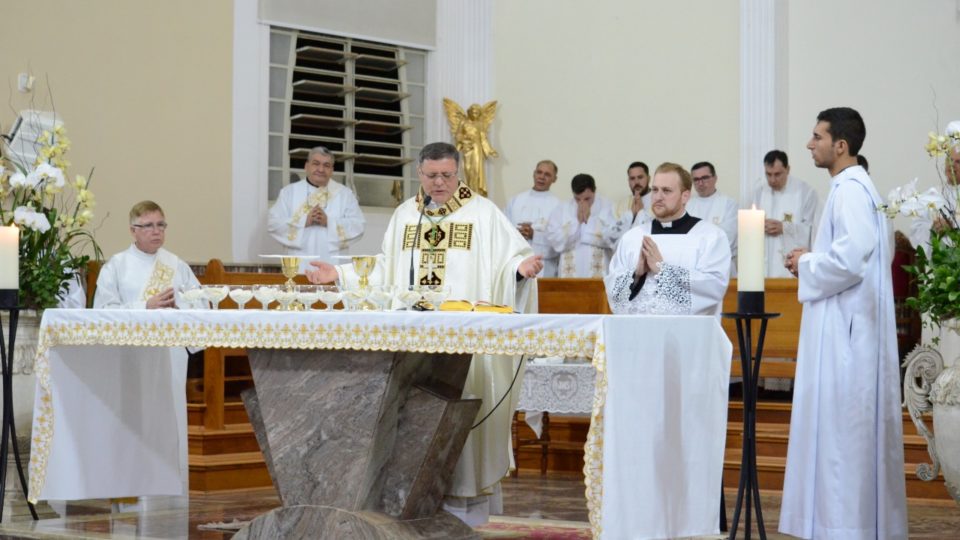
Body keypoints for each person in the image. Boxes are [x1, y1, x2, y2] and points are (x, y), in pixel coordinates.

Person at [305, 142, 542, 525]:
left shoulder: (483, 213)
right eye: (432, 176)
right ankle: (414, 504)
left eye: (447, 175)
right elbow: (385, 268)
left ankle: (465, 515)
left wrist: (520, 270)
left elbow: (510, 258)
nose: (440, 183)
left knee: (463, 409)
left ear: (458, 172)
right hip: (415, 342)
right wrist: (341, 274)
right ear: (420, 174)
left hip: (465, 342)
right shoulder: (405, 215)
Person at [779, 107, 907, 539]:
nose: (808, 144)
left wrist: (806, 261)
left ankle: (843, 528)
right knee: (844, 435)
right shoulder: (856, 188)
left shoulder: (851, 189)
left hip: (846, 335)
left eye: (816, 137)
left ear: (841, 145)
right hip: (852, 324)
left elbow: (852, 259)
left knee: (840, 438)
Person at [94, 200, 201, 511]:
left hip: (169, 356)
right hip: (131, 358)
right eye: (149, 226)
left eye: (161, 225)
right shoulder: (116, 266)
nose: (157, 231)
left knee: (168, 422)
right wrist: (146, 306)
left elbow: (201, 304)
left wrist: (182, 307)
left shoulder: (176, 265)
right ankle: (128, 497)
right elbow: (103, 313)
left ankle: (169, 497)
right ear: (133, 231)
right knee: (133, 422)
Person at [604, 162, 730, 315]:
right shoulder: (633, 237)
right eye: (655, 190)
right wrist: (636, 274)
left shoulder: (709, 237)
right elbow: (613, 293)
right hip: (638, 333)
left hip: (684, 336)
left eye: (666, 191)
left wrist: (663, 271)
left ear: (685, 196)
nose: (658, 197)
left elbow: (713, 289)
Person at [267, 146, 365, 271]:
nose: (321, 169)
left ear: (332, 170)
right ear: (306, 166)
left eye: (326, 165)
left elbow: (359, 226)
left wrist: (329, 222)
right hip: (299, 265)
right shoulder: (289, 193)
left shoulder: (345, 195)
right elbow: (273, 224)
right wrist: (303, 221)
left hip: (333, 264)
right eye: (316, 164)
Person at [750, 150, 819, 278]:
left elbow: (812, 231)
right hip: (764, 265)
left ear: (787, 169)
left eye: (777, 174)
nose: (772, 180)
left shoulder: (806, 192)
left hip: (792, 267)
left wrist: (785, 227)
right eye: (768, 174)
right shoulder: (759, 192)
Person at [545, 173, 615, 277]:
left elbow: (615, 238)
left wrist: (588, 224)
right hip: (570, 272)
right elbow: (554, 240)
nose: (582, 204)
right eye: (578, 199)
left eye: (587, 199)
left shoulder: (608, 207)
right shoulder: (561, 209)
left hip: (600, 272)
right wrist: (576, 222)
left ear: (594, 191)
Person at [504, 160, 563, 277]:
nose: (542, 177)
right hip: (517, 263)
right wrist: (517, 234)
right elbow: (503, 229)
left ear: (554, 179)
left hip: (544, 267)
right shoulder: (516, 201)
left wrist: (534, 235)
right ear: (534, 174)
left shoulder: (559, 206)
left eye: (547, 174)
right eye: (539, 172)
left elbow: (559, 242)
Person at [686, 161, 738, 273]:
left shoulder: (729, 204)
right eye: (696, 179)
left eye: (705, 178)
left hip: (721, 266)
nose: (700, 183)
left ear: (715, 178)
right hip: (693, 268)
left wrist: (698, 240)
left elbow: (728, 238)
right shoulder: (687, 205)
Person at [603, 161, 653, 246]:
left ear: (648, 178)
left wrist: (640, 213)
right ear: (628, 181)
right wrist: (631, 215)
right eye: (632, 178)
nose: (636, 182)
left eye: (640, 177)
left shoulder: (659, 201)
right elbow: (610, 238)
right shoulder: (619, 206)